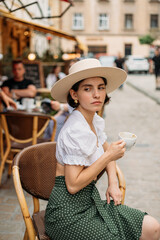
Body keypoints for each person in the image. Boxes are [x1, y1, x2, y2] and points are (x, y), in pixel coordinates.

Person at [45, 58, 160, 240]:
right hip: (67, 214)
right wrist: (108, 157)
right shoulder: (76, 129)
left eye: (100, 87)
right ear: (74, 95)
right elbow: (73, 185)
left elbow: (107, 150)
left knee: (152, 227)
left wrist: (113, 184)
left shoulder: (92, 120)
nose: (97, 94)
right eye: (87, 89)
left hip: (91, 203)